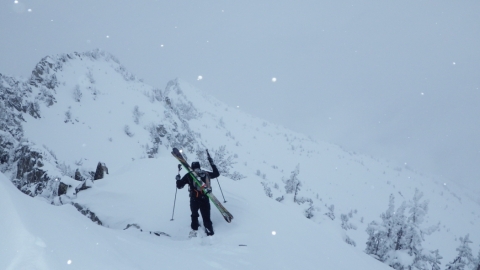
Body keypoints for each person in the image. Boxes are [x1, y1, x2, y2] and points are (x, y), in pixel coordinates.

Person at [176, 154, 219, 237]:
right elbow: (216, 174)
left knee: (194, 215)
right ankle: (209, 230)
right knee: (206, 216)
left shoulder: (189, 175)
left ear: (191, 167)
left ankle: (195, 228)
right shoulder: (206, 173)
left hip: (194, 198)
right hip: (205, 197)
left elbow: (179, 186)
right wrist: (212, 163)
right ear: (200, 167)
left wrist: (178, 179)